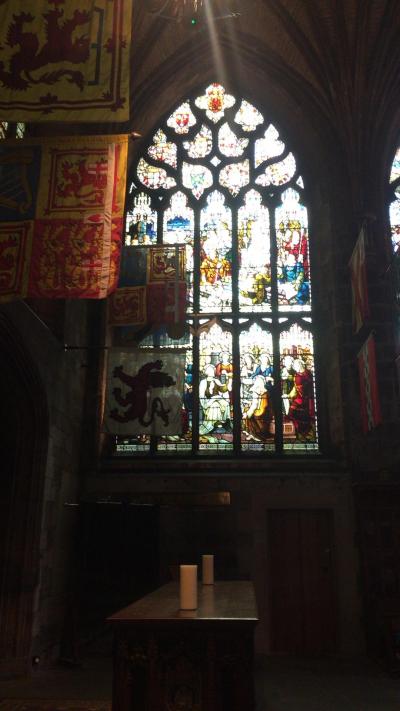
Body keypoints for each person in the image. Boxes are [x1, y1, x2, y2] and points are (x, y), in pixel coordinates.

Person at [199, 364, 231, 434]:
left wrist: (228, 382)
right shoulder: (203, 382)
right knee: (215, 405)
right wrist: (205, 403)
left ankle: (222, 422)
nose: (213, 371)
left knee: (226, 404)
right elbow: (201, 395)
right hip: (208, 400)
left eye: (213, 370)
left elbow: (222, 389)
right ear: (206, 372)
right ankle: (214, 425)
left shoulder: (216, 380)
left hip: (218, 398)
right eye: (210, 370)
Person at [288, 357, 315, 439]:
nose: (295, 368)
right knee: (292, 411)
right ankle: (300, 432)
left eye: (296, 366)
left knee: (306, 414)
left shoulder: (308, 373)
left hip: (309, 398)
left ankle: (308, 432)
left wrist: (305, 391)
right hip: (301, 397)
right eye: (294, 367)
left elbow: (310, 385)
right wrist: (289, 395)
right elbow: (296, 388)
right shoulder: (297, 375)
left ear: (300, 364)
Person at [242, 374, 273, 442]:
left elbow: (255, 405)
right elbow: (260, 403)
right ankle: (252, 433)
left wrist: (247, 414)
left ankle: (255, 434)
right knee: (248, 409)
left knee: (247, 411)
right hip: (266, 413)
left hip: (260, 414)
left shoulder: (256, 391)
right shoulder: (265, 392)